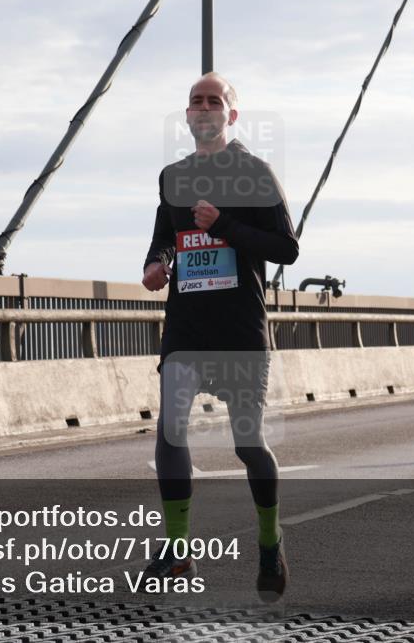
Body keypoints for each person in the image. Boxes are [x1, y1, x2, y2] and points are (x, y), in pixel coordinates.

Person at [141, 72, 299, 602]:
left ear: (231, 115)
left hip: (239, 329)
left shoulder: (255, 173)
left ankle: (270, 541)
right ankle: (177, 551)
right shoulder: (173, 176)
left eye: (214, 100)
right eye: (195, 101)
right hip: (186, 327)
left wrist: (224, 225)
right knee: (170, 433)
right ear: (188, 115)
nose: (204, 108)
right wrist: (156, 264)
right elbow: (164, 238)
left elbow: (286, 248)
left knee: (248, 445)